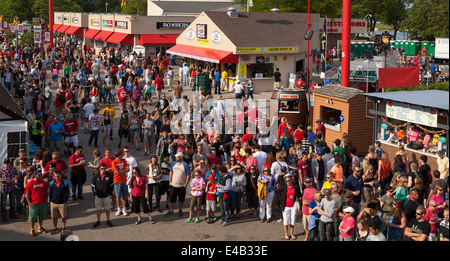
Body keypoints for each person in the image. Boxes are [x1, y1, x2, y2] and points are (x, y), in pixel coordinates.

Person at [276, 174, 302, 240]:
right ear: (285, 182)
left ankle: (292, 233)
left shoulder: (295, 187)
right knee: (286, 221)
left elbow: (299, 196)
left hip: (293, 206)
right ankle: (286, 234)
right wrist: (281, 198)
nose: (288, 182)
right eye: (287, 181)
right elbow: (276, 191)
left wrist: (295, 197)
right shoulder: (284, 187)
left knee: (292, 221)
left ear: (292, 180)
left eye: (289, 181)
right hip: (286, 206)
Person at [24, 169, 49, 236]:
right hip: (34, 204)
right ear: (34, 175)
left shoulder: (43, 182)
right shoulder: (30, 183)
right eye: (38, 174)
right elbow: (27, 194)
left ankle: (40, 227)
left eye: (41, 174)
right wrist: (29, 202)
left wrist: (46, 199)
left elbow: (46, 191)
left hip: (42, 203)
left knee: (41, 216)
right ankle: (32, 229)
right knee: (32, 218)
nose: (40, 176)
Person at [166, 152, 191, 217]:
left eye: (177, 157)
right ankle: (171, 210)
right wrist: (170, 182)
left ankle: (180, 210)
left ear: (181, 157)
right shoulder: (174, 164)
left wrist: (186, 184)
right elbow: (171, 172)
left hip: (181, 185)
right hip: (173, 185)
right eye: (176, 157)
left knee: (181, 199)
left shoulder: (185, 165)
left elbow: (188, 175)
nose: (176, 158)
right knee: (172, 198)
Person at [91, 163, 114, 228]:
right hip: (98, 196)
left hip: (106, 196)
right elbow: (93, 185)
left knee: (107, 209)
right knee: (98, 209)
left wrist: (110, 193)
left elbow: (112, 185)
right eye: (102, 169)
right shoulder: (96, 176)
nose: (103, 170)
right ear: (99, 169)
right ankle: (98, 221)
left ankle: (108, 220)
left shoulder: (109, 176)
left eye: (104, 169)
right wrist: (94, 193)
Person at [48, 170, 70, 235]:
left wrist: (66, 201)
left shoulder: (65, 183)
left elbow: (68, 193)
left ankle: (63, 227)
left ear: (61, 175)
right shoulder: (52, 183)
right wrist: (50, 201)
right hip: (53, 203)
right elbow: (50, 193)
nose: (57, 177)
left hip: (62, 203)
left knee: (64, 216)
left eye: (58, 176)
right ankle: (55, 228)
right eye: (55, 176)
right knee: (54, 217)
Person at [111, 149, 130, 216]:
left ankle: (124, 208)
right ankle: (119, 208)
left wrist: (121, 171)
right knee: (118, 196)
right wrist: (124, 170)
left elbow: (128, 169)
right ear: (119, 155)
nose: (123, 155)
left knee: (125, 195)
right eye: (122, 154)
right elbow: (117, 172)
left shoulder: (124, 160)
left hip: (124, 180)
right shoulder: (114, 162)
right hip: (117, 181)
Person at [1, 158, 19, 222]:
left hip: (12, 186)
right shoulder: (2, 169)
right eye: (5, 163)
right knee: (3, 202)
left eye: (7, 163)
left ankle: (12, 214)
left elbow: (18, 175)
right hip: (4, 187)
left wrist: (14, 179)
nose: (6, 164)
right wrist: (3, 180)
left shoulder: (13, 168)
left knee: (12, 201)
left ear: (9, 163)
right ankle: (4, 216)